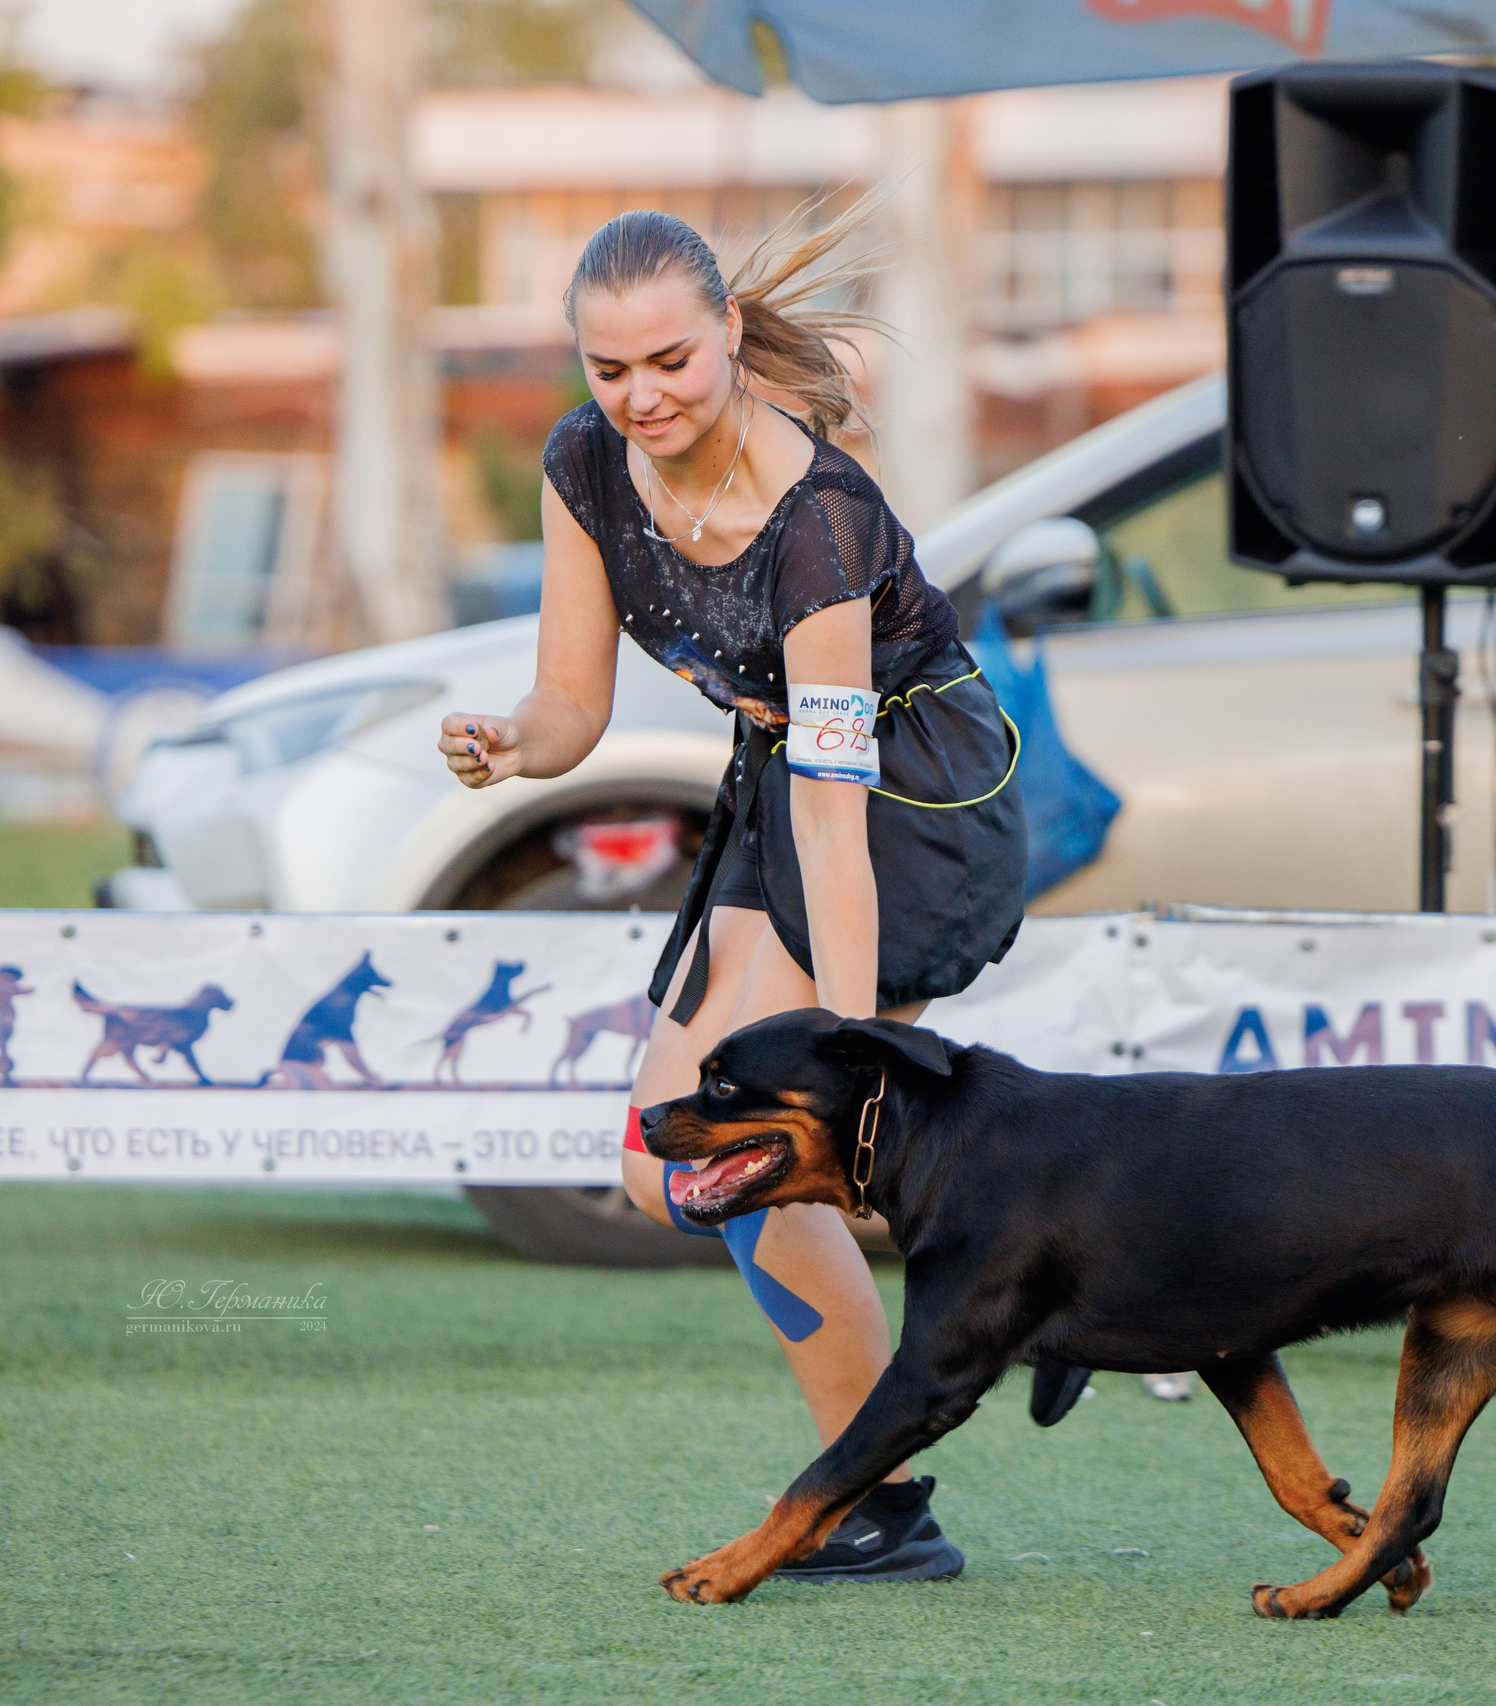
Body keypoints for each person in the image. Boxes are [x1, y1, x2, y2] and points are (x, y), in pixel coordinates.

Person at [438, 202, 1026, 1583]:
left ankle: (873, 1495)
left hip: (911, 805)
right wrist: (515, 743)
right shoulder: (584, 461)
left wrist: (855, 1060)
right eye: (608, 368)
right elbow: (574, 701)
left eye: (671, 364)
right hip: (788, 787)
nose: (639, 397)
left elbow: (839, 817)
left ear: (731, 338)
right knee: (667, 1171)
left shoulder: (819, 517)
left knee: (760, 1142)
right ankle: (929, 1402)